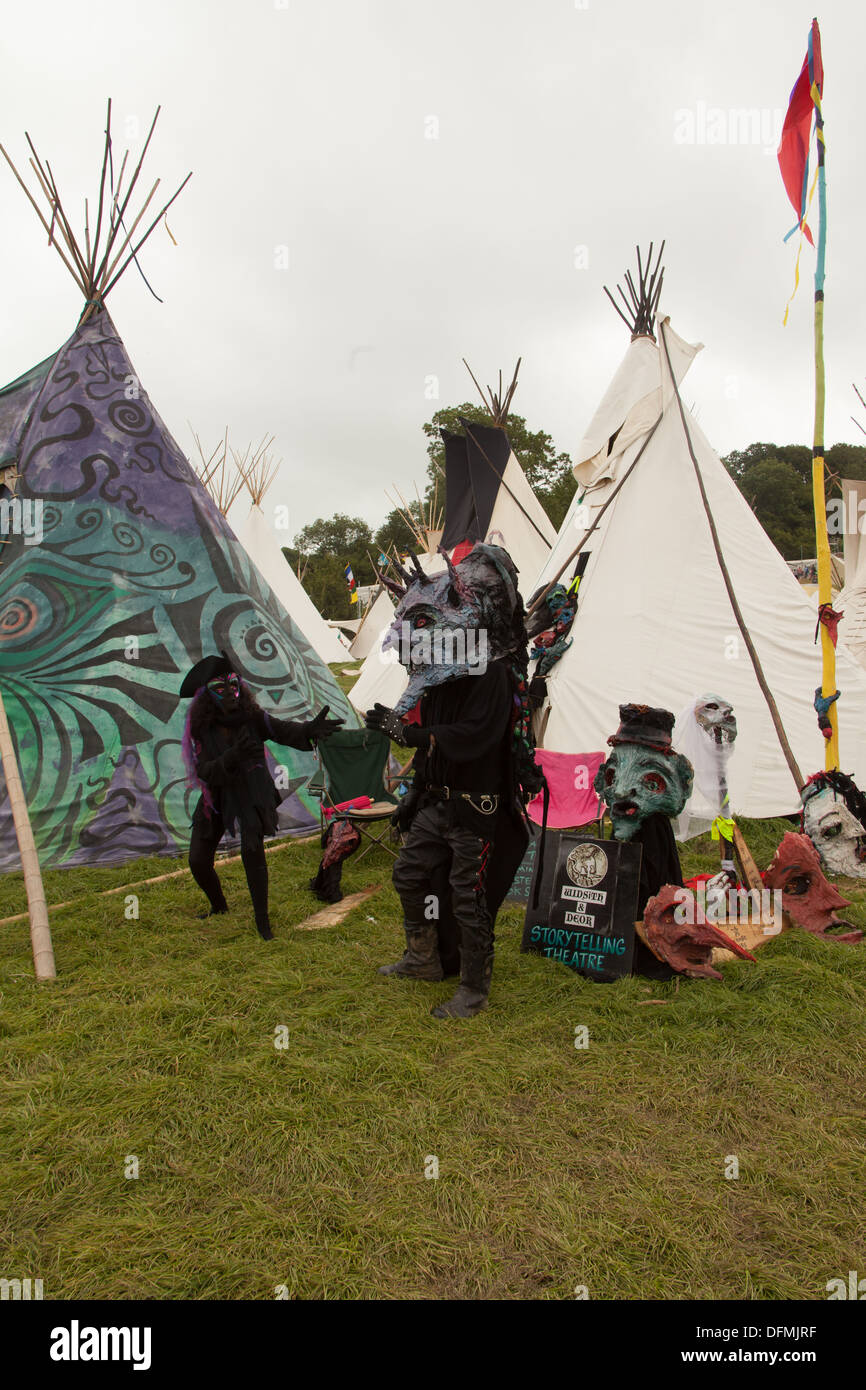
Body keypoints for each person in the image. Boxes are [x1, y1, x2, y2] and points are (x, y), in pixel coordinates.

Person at [180, 653, 343, 938]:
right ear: (207, 695)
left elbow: (281, 730)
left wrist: (309, 730)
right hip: (217, 794)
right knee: (197, 859)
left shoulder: (252, 718)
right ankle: (219, 906)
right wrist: (232, 756)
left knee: (252, 852)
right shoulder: (201, 727)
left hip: (252, 790)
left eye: (233, 684)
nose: (230, 692)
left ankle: (262, 923)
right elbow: (204, 770)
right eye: (220, 688)